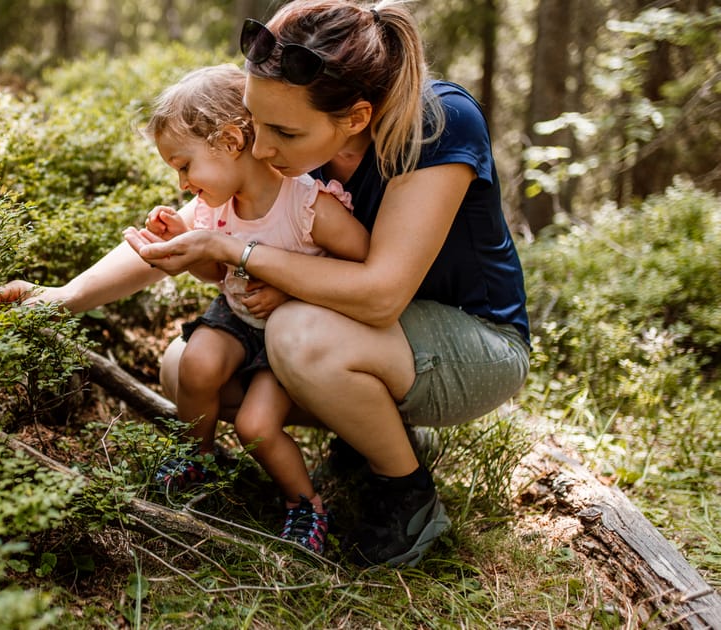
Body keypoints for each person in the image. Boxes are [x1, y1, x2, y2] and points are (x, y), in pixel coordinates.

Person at [121, 0, 531, 567]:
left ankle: (406, 496)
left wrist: (243, 253)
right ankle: (377, 435)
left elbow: (382, 293)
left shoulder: (438, 123)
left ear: (357, 118)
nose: (260, 147)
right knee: (183, 364)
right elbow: (188, 235)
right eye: (255, 121)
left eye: (281, 132)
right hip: (374, 338)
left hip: (474, 344)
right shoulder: (296, 131)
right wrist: (63, 298)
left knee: (296, 333)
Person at [130, 65, 370, 557]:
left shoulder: (308, 206)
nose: (180, 183)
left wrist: (290, 293)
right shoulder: (216, 209)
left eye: (184, 165)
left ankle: (306, 506)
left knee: (256, 427)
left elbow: (363, 263)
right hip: (237, 317)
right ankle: (196, 456)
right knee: (196, 362)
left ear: (232, 140)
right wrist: (184, 242)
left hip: (293, 329)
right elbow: (216, 277)